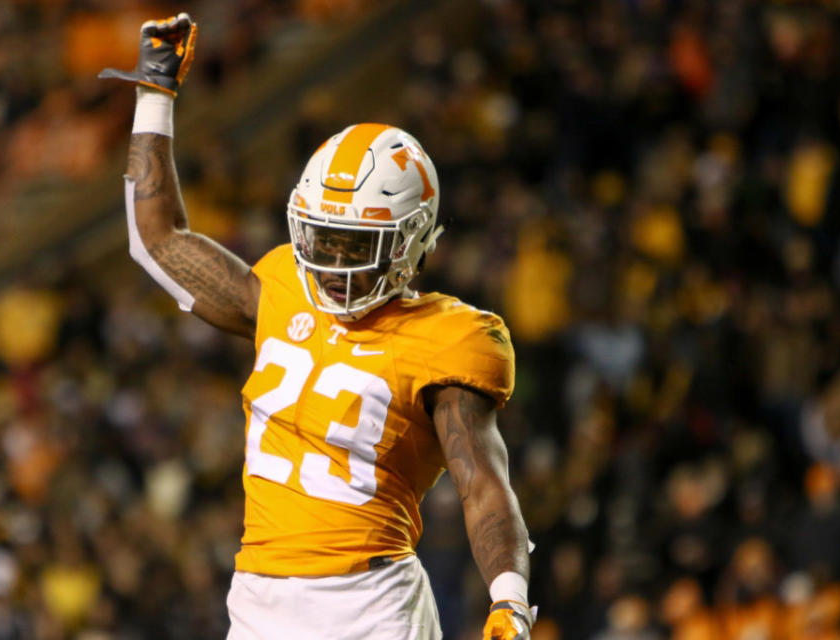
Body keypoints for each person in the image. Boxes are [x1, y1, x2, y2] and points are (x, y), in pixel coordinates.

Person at [100, 13, 535, 640]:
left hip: (372, 606)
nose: (332, 265)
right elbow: (157, 240)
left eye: (354, 243)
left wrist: (510, 601)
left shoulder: (450, 337)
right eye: (322, 240)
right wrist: (153, 93)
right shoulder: (278, 285)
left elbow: (483, 485)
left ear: (412, 242)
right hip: (257, 602)